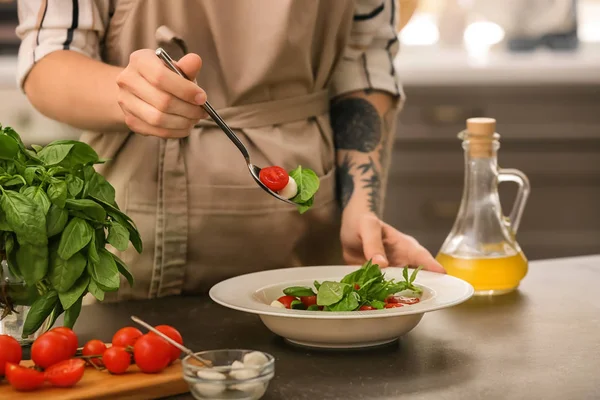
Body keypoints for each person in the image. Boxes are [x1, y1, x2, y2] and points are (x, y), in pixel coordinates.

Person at [15, 0, 444, 300]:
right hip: (139, 238)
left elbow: (363, 61)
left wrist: (360, 205)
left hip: (309, 240)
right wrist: (130, 95)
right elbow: (48, 58)